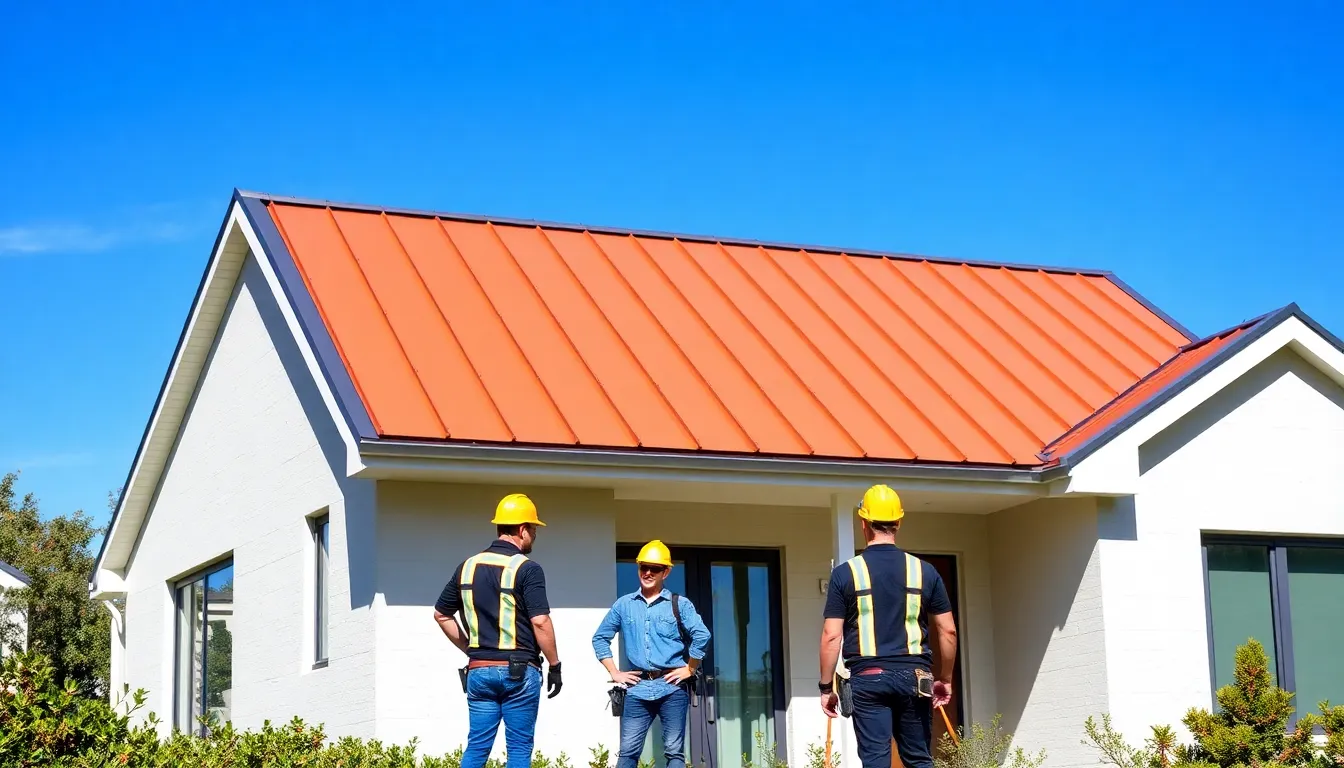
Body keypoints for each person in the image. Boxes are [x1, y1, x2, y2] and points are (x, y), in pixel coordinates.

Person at [818, 484, 958, 768]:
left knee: (876, 760)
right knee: (918, 758)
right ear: (898, 522)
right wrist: (945, 679)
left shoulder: (846, 573)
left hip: (867, 677)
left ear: (864, 523)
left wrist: (825, 687)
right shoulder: (924, 571)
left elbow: (832, 636)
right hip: (915, 676)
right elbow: (948, 630)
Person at [434, 493, 563, 768]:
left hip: (478, 671)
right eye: (534, 529)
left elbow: (441, 614)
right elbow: (540, 621)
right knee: (518, 749)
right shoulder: (528, 569)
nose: (535, 535)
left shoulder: (466, 567)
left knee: (477, 748)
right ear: (521, 529)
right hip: (519, 671)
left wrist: (471, 648)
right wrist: (555, 665)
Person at [592, 540, 711, 768]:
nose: (647, 573)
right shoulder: (624, 605)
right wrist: (615, 672)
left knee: (674, 753)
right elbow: (600, 638)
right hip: (637, 690)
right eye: (643, 567)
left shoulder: (680, 604)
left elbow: (702, 635)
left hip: (672, 688)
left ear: (665, 572)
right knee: (627, 754)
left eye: (654, 569)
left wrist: (690, 668)